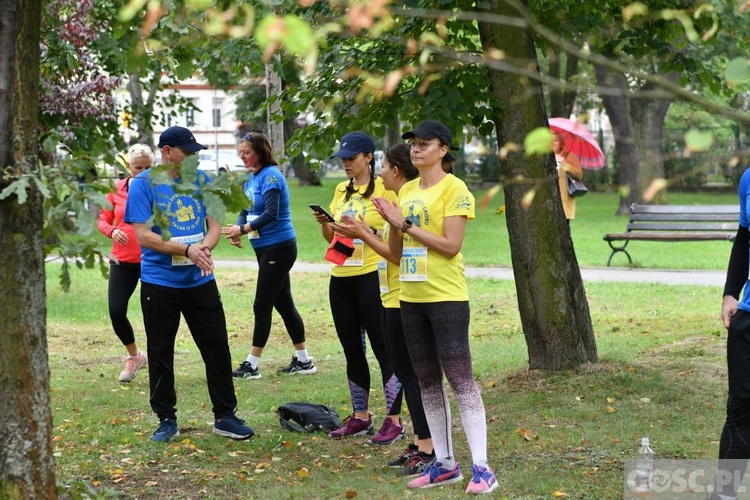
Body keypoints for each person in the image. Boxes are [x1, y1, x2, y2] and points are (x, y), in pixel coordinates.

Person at [372, 120, 499, 494]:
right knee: (427, 381)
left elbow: (450, 245)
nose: (416, 149)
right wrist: (389, 224)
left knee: (460, 380)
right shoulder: (407, 189)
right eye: (413, 143)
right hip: (410, 299)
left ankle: (483, 468)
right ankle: (444, 464)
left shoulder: (455, 188)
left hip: (447, 298)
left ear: (443, 149)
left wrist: (405, 222)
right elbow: (396, 254)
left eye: (425, 143)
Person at [124, 126, 253, 443]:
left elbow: (214, 224)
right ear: (167, 152)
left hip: (199, 280)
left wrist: (204, 249)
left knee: (217, 349)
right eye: (188, 152)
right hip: (159, 283)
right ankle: (166, 419)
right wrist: (186, 250)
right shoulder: (143, 184)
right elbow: (143, 236)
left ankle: (225, 415)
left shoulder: (203, 181)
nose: (194, 157)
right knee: (161, 351)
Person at [333, 144, 435, 471]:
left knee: (410, 370)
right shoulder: (392, 197)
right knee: (404, 369)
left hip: (401, 293)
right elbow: (393, 248)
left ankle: (423, 444)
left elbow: (396, 252)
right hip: (384, 289)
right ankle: (419, 445)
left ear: (394, 169)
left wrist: (365, 230)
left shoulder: (400, 200)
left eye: (383, 166)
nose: (379, 171)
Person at [313, 131, 403, 443]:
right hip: (341, 278)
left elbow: (395, 233)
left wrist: (367, 231)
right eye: (343, 160)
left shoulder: (385, 189)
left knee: (384, 348)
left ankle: (394, 419)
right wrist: (327, 224)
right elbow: (334, 239)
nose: (347, 164)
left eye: (352, 159)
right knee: (352, 349)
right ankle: (361, 416)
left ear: (368, 157)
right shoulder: (341, 190)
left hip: (371, 277)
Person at [220, 132, 315, 379]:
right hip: (264, 249)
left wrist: (243, 229)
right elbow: (244, 209)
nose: (242, 157)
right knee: (284, 303)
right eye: (240, 152)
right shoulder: (251, 179)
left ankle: (252, 365)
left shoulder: (271, 176)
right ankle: (304, 360)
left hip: (280, 247)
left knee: (262, 305)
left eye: (247, 152)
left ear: (260, 151)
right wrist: (238, 229)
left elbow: (271, 213)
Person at [98, 144, 153, 382]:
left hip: (152, 260)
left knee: (154, 314)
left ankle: (160, 361)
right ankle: (135, 356)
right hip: (122, 260)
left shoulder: (159, 189)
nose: (142, 172)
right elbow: (102, 220)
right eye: (137, 167)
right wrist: (111, 231)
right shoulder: (115, 190)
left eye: (147, 167)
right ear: (129, 168)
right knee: (116, 310)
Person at [713, 166, 750, 500]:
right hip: (749, 317)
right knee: (740, 408)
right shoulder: (748, 178)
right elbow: (744, 236)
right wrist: (730, 291)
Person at [554, 132, 584, 225]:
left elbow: (578, 174)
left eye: (555, 141)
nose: (552, 143)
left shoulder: (568, 155)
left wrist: (564, 163)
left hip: (563, 199)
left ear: (561, 143)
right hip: (548, 198)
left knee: (563, 228)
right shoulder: (543, 157)